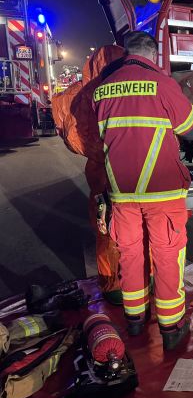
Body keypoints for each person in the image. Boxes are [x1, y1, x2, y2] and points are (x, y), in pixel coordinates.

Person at [93, 31, 193, 350]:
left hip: (121, 191)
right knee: (166, 255)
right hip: (162, 190)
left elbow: (101, 138)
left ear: (126, 53)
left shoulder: (102, 90)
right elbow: (192, 129)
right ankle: (171, 327)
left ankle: (135, 320)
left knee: (130, 254)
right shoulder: (162, 84)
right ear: (153, 55)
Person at [52, 45, 126, 305]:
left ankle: (112, 285)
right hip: (130, 170)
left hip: (100, 173)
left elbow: (71, 138)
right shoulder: (130, 88)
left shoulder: (78, 95)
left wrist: (98, 150)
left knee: (106, 230)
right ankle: (142, 279)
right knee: (136, 229)